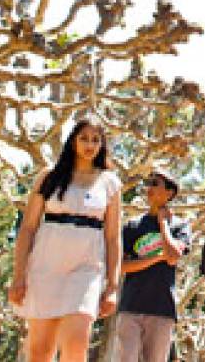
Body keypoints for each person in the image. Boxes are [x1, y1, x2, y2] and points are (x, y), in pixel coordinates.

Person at [10, 118, 124, 362]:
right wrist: (18, 276)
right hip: (45, 267)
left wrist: (112, 286)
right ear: (73, 141)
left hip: (86, 270)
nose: (89, 145)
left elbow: (113, 238)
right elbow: (28, 228)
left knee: (77, 345)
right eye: (84, 138)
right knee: (40, 352)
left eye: (96, 139)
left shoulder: (110, 183)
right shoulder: (49, 177)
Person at [114, 169, 192, 362]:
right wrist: (157, 258)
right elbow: (121, 266)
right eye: (148, 183)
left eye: (155, 183)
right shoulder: (132, 226)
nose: (149, 188)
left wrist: (164, 224)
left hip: (162, 309)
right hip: (130, 307)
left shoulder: (180, 226)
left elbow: (173, 257)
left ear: (169, 193)